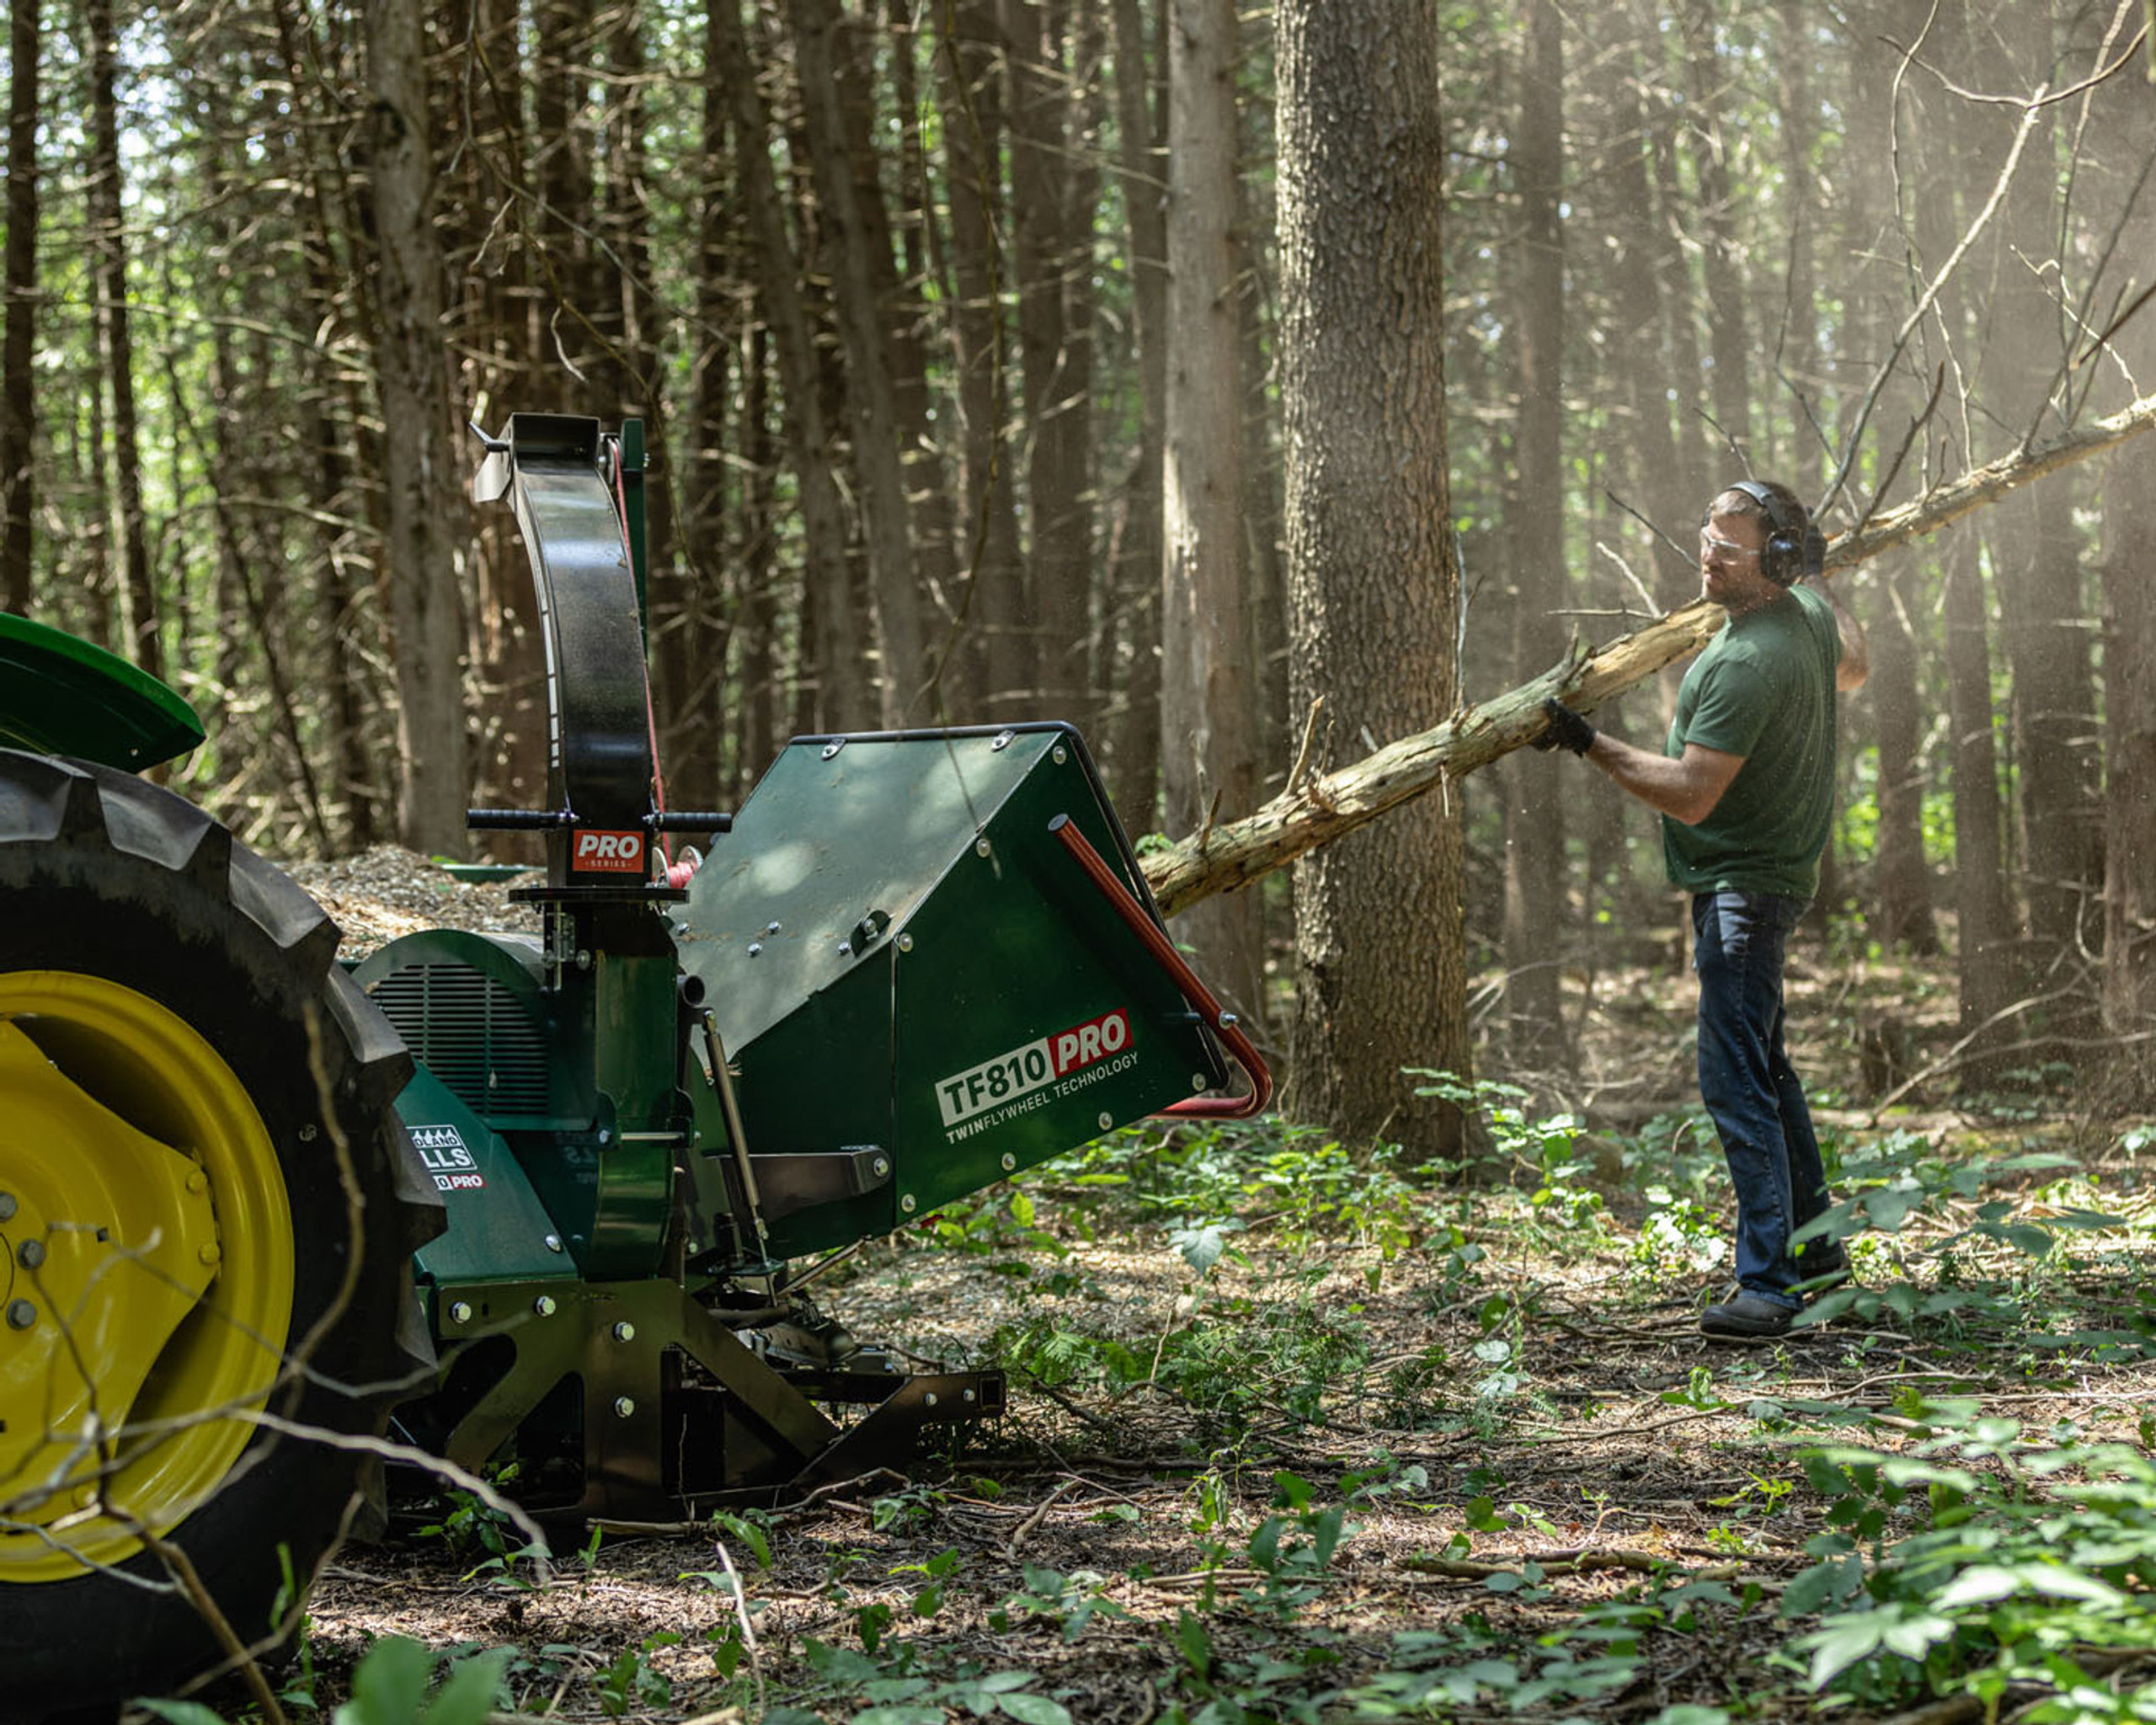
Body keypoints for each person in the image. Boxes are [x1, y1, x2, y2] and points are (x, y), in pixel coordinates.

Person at [1538, 480, 1868, 1338]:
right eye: (1706, 533)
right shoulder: (1806, 616)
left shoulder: (1743, 660)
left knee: (1734, 1080)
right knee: (1770, 1071)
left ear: (1777, 559)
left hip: (1743, 895)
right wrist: (1820, 579)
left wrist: (1586, 741)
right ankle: (1822, 1257)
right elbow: (1857, 658)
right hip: (1772, 882)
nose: (1706, 552)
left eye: (1729, 545)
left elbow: (1688, 794)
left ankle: (1767, 1285)